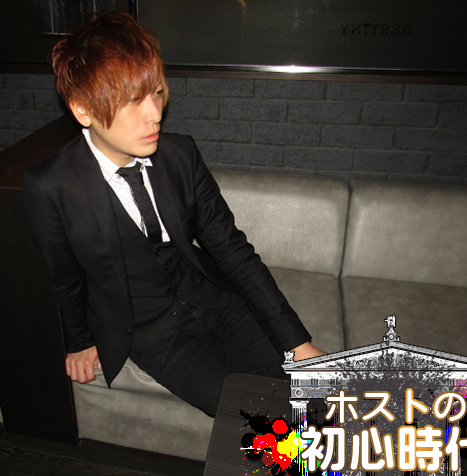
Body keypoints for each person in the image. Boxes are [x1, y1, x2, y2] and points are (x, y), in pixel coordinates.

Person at [22, 11, 326, 416]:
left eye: (158, 92)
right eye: (133, 101)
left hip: (215, 299)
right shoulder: (51, 185)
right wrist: (80, 340)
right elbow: (65, 277)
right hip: (154, 335)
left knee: (317, 392)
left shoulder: (180, 155)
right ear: (82, 109)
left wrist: (297, 342)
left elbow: (232, 250)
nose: (154, 113)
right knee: (257, 413)